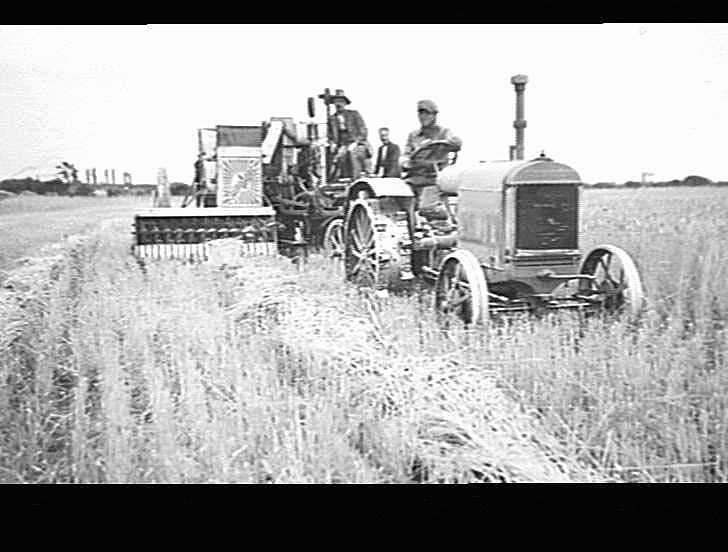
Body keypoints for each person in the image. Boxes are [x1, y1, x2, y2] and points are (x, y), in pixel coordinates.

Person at [402, 99, 462, 220]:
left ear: (434, 115)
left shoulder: (444, 132)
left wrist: (442, 143)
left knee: (426, 207)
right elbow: (406, 155)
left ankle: (448, 220)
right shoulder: (413, 135)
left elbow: (457, 143)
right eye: (421, 113)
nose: (423, 117)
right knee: (396, 201)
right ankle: (411, 228)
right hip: (415, 177)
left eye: (427, 113)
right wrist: (405, 161)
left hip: (434, 178)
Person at [326, 89, 372, 178]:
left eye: (341, 101)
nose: (338, 104)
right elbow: (330, 135)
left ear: (345, 103)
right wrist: (332, 143)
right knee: (336, 158)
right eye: (336, 102)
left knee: (353, 152)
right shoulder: (332, 118)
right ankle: (334, 180)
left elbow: (363, 131)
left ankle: (356, 178)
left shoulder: (354, 114)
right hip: (342, 144)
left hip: (358, 143)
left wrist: (355, 142)